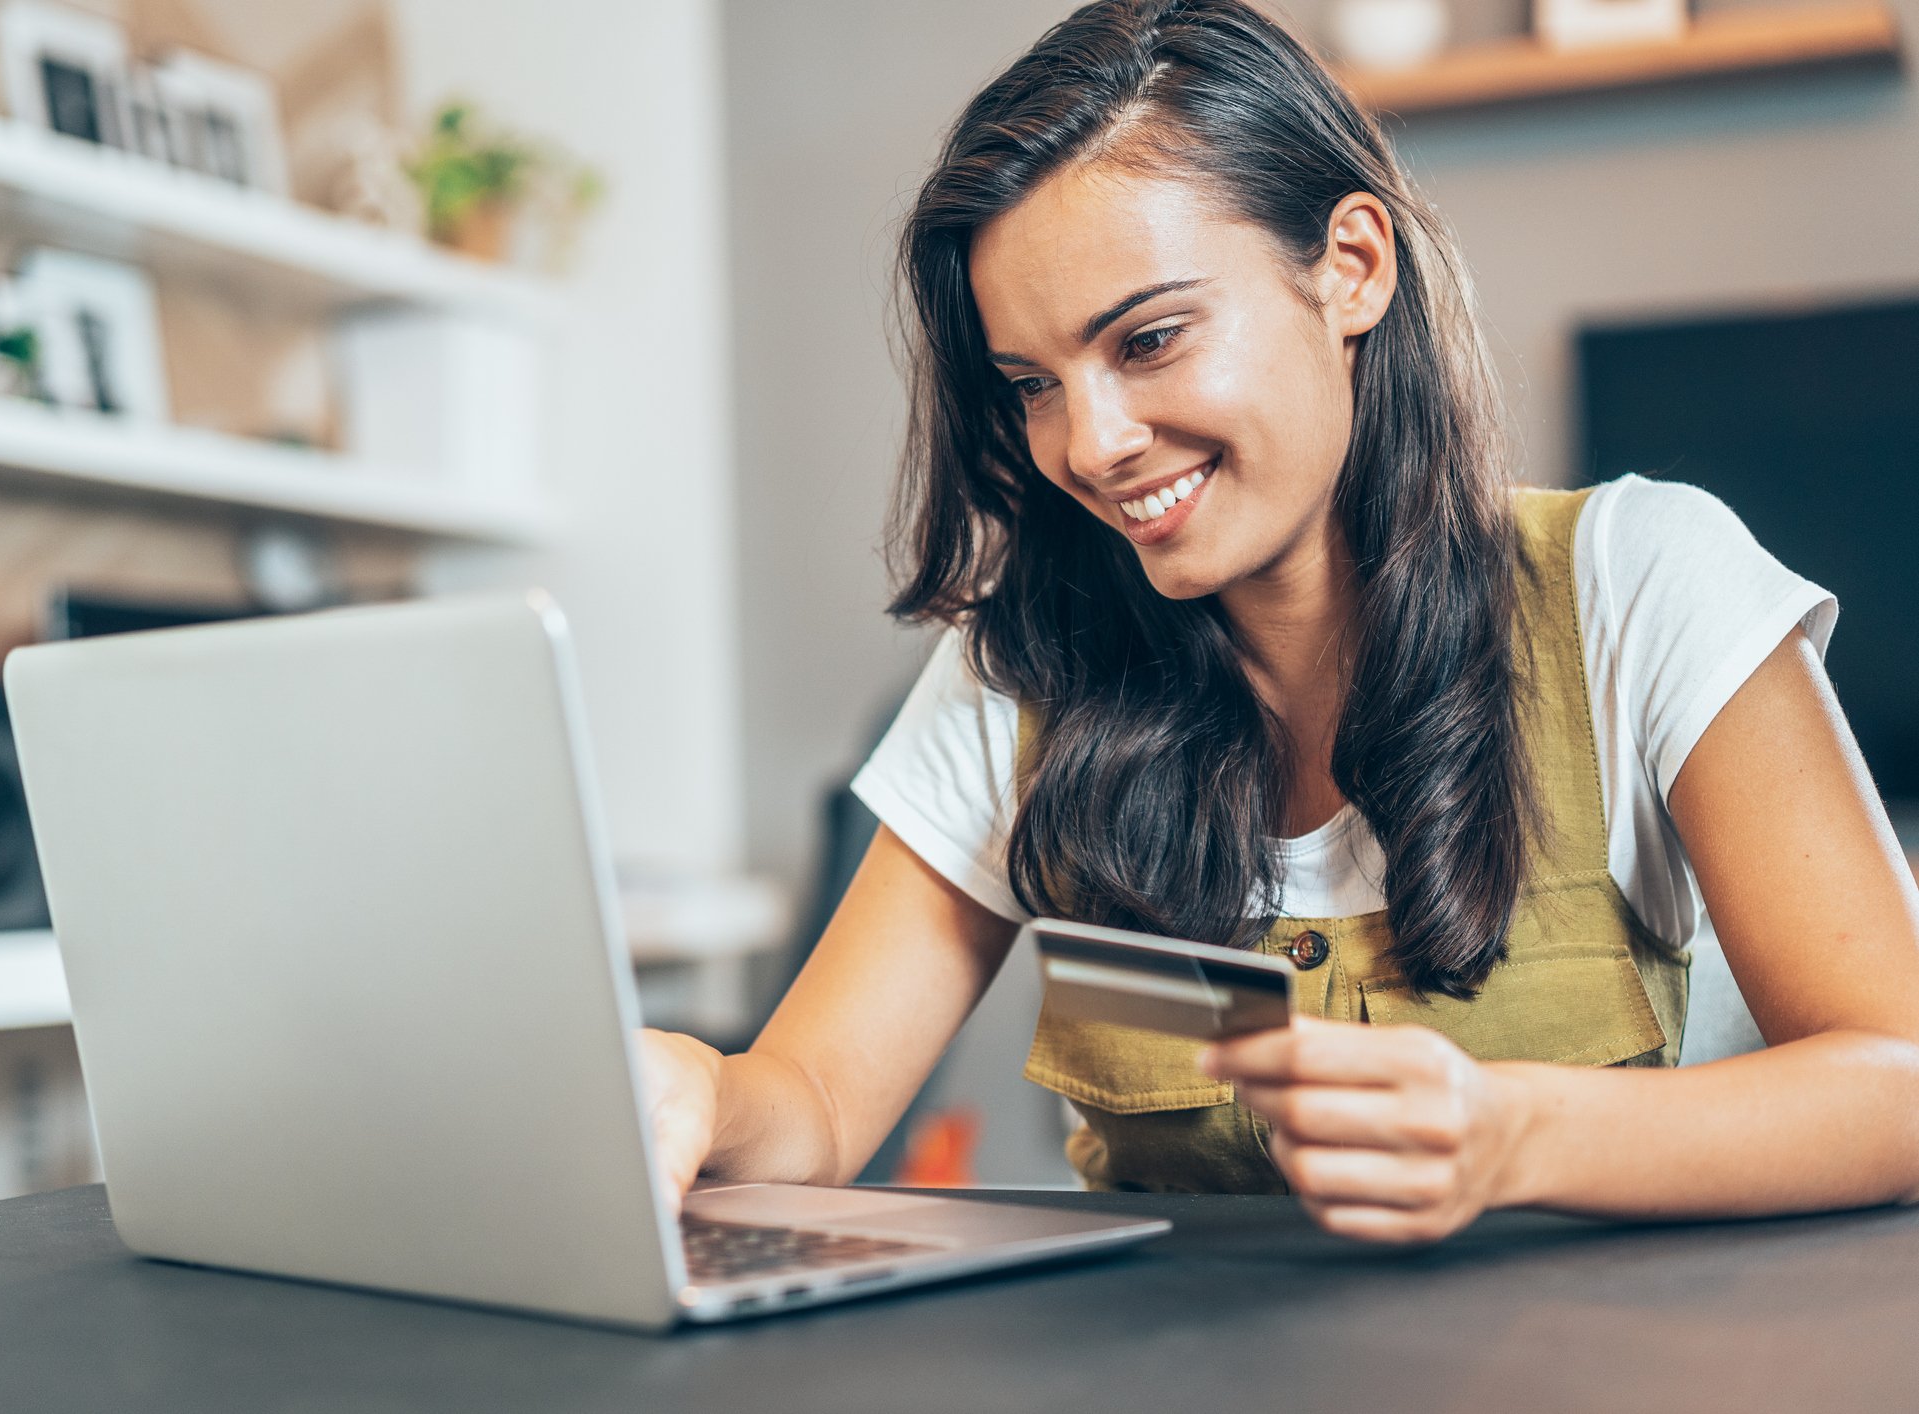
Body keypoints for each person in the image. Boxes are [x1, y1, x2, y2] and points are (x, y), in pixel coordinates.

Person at [640, 0, 1919, 1242]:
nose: (1089, 446)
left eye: (1148, 339)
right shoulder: (1018, 670)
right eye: (1033, 385)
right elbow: (811, 1099)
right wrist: (702, 1088)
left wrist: (1516, 1132)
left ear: (1352, 267)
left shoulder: (1641, 580)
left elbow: (1899, 1080)